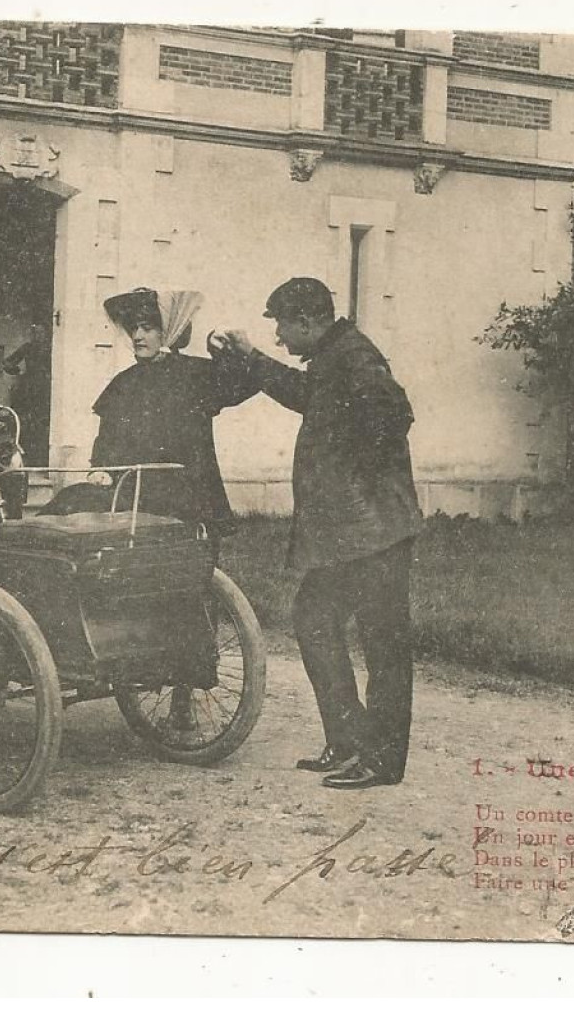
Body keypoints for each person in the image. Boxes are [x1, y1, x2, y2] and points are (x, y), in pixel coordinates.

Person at [212, 277, 424, 790]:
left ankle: (381, 761)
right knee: (313, 622)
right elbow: (308, 395)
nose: (280, 336)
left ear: (308, 321)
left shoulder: (356, 358)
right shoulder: (335, 357)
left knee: (383, 644)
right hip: (351, 535)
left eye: (283, 326)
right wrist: (252, 357)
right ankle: (349, 742)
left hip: (374, 534)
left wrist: (358, 478)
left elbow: (393, 416)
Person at [83, 287, 256, 541]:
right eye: (134, 329)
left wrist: (222, 354)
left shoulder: (195, 374)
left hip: (187, 489)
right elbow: (106, 437)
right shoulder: (124, 382)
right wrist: (99, 469)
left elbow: (245, 384)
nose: (137, 336)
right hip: (133, 489)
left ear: (170, 331)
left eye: (147, 328)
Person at [1, 321, 51, 466]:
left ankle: (39, 459)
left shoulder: (51, 348)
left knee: (42, 424)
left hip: (45, 390)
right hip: (31, 389)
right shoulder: (28, 347)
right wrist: (19, 373)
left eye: (41, 333)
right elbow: (7, 363)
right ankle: (27, 457)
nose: (38, 336)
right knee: (25, 423)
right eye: (36, 333)